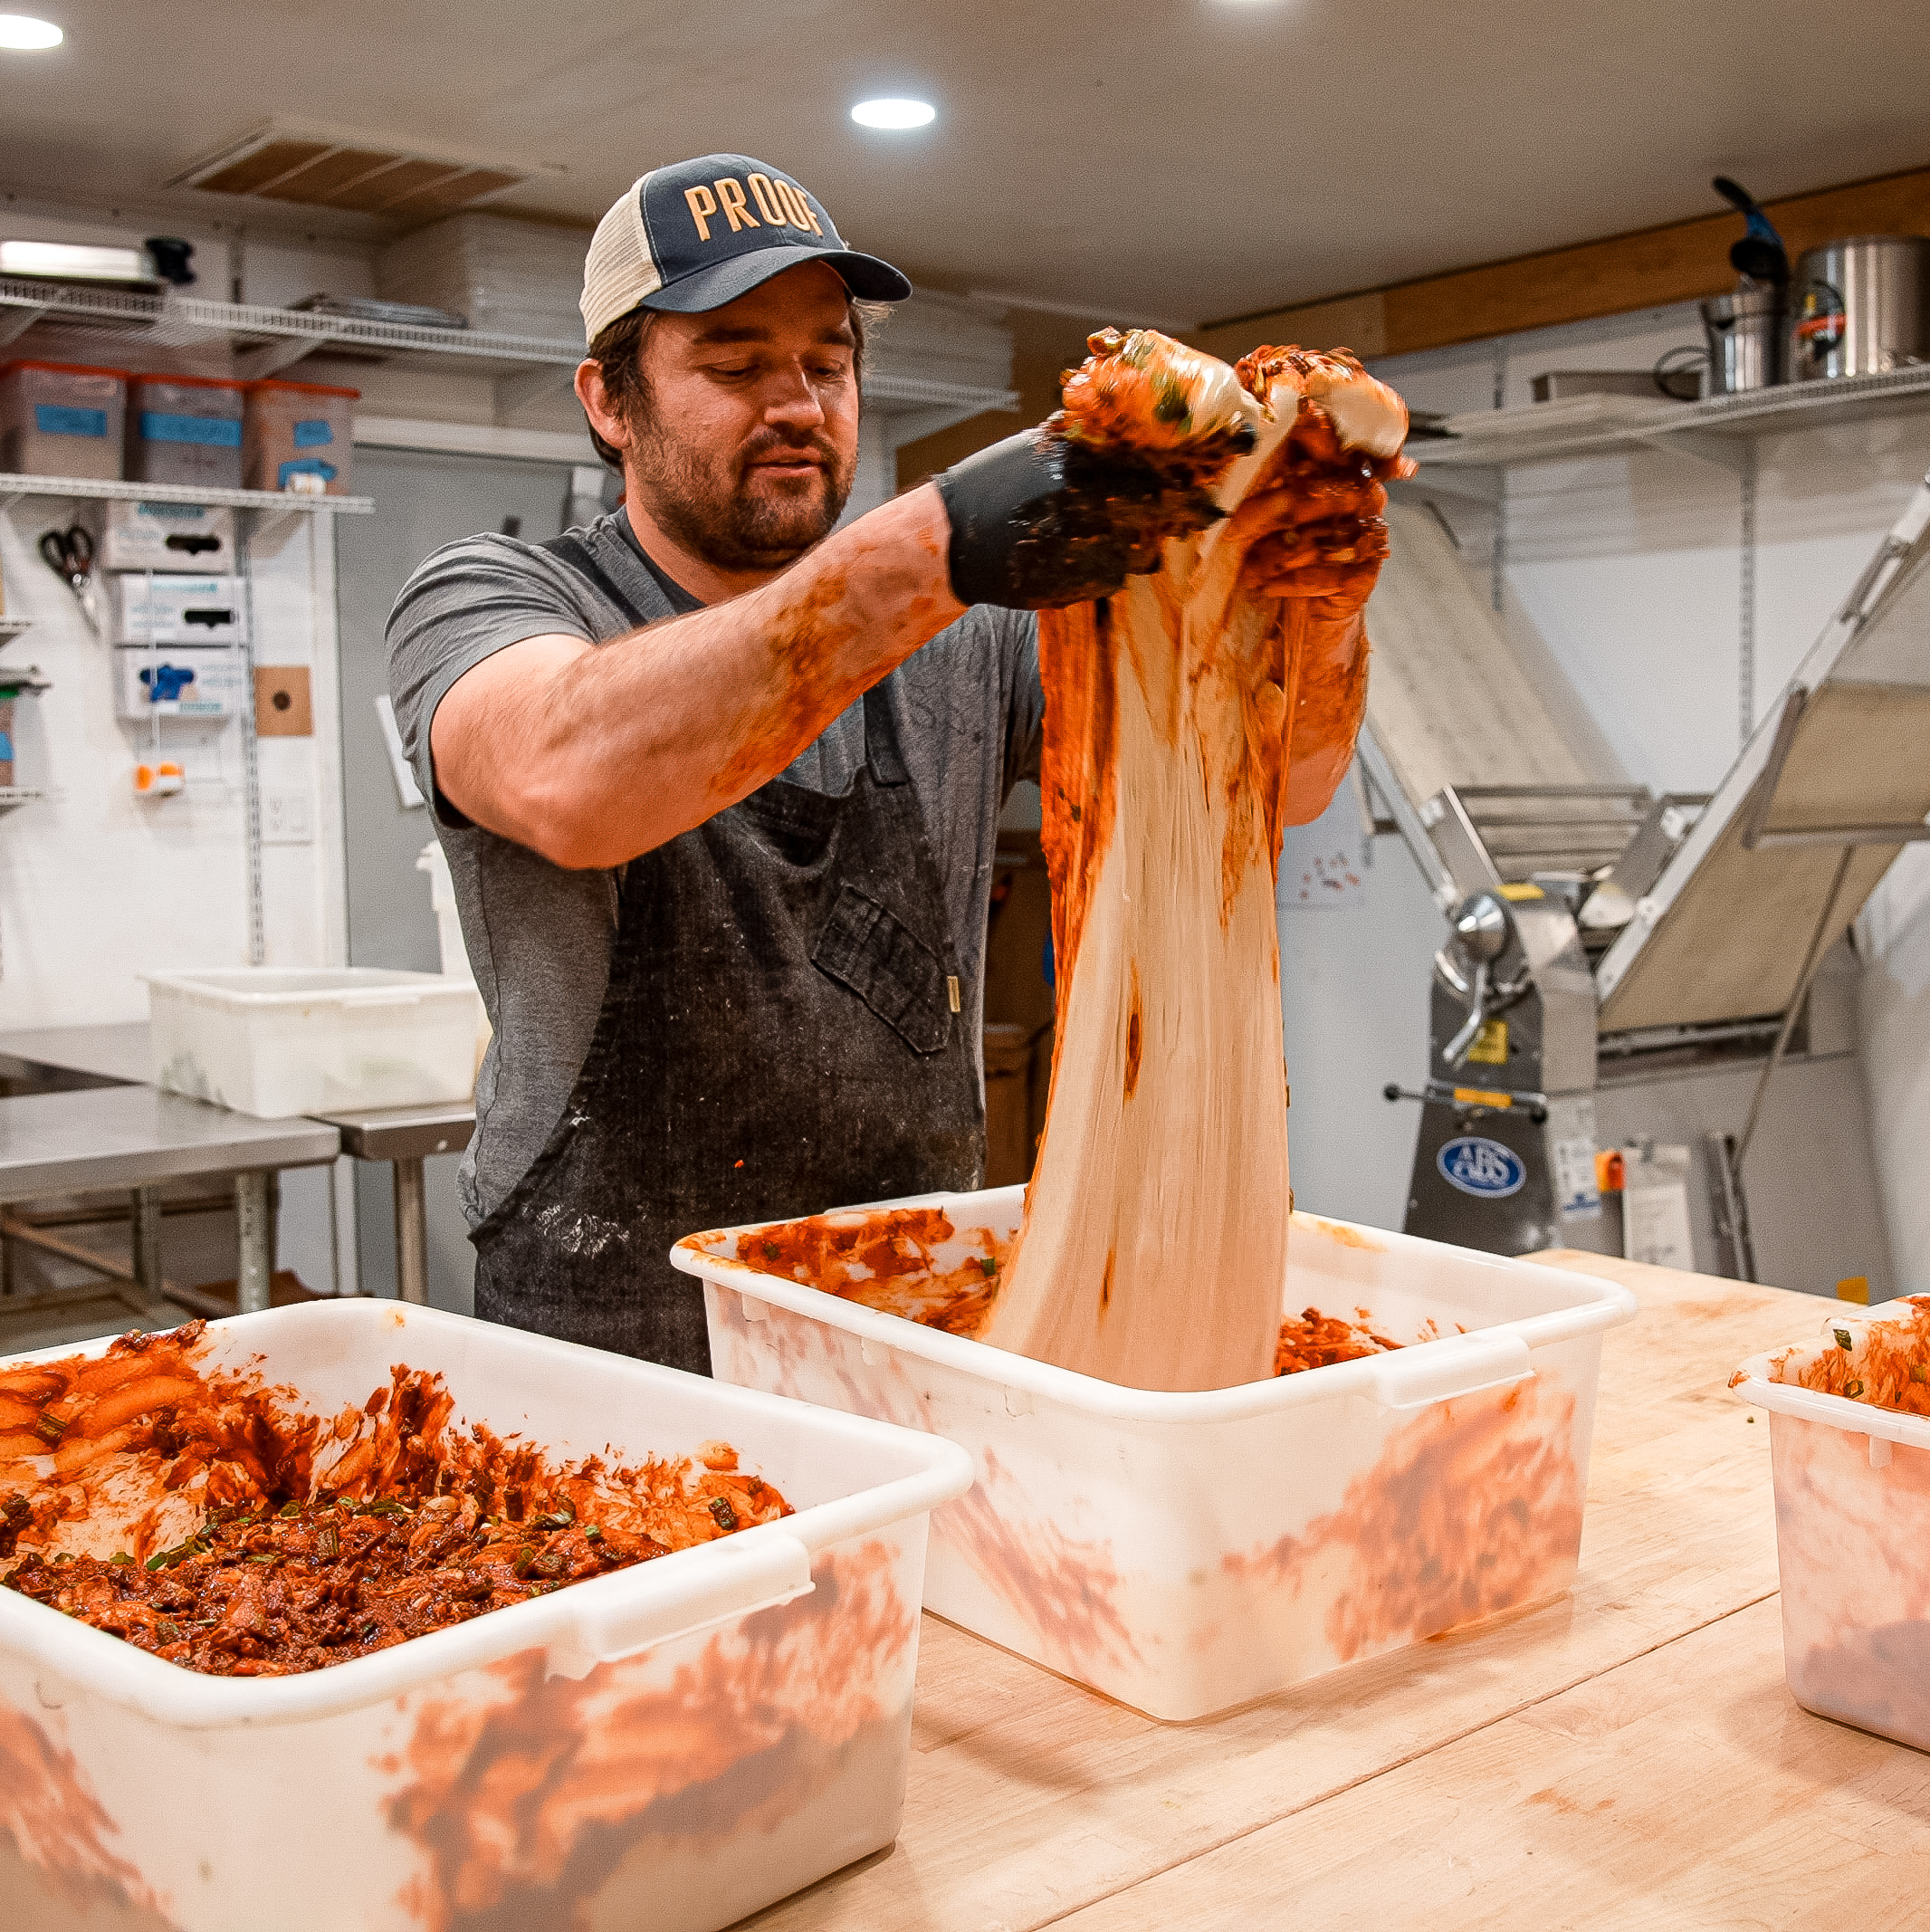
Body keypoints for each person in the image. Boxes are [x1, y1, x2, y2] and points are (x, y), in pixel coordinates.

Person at [386, 153, 1362, 1371]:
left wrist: (1321, 613)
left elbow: (1278, 793)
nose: (798, 403)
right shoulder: (495, 597)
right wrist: (938, 544)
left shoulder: (968, 634)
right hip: (612, 1325)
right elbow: (564, 779)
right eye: (735, 366)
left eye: (829, 362)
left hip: (907, 1286)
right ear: (609, 400)